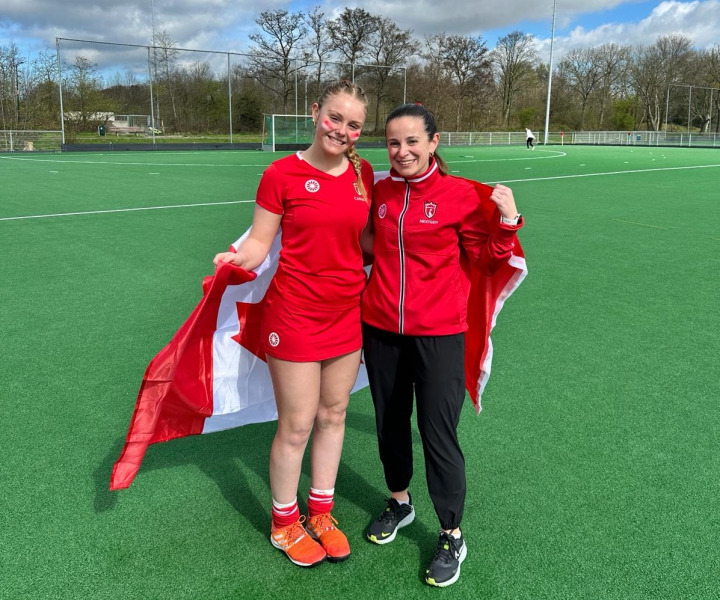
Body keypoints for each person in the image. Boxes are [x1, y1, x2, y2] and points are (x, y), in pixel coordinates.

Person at [361, 103, 524, 587]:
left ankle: (452, 533)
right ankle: (400, 502)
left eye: (412, 141)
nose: (402, 151)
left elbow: (489, 259)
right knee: (390, 422)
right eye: (393, 142)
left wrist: (510, 220)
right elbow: (356, 239)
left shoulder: (457, 196)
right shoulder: (378, 192)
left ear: (433, 142)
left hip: (440, 334)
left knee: (437, 433)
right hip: (382, 327)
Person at [214, 80, 373, 568]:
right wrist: (236, 259)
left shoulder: (363, 173)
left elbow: (366, 245)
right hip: (295, 314)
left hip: (348, 313)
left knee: (334, 415)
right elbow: (261, 243)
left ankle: (321, 513)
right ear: (314, 112)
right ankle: (285, 523)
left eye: (353, 124)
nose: (341, 130)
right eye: (334, 118)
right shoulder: (280, 174)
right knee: (297, 425)